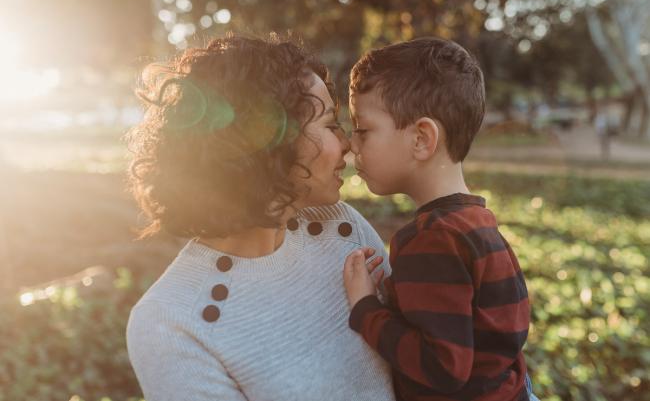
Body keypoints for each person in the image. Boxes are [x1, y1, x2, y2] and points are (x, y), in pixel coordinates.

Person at [125, 34, 395, 401]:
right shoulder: (170, 322)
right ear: (272, 140)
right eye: (331, 125)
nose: (347, 143)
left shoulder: (343, 228)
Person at [341, 37, 539, 401]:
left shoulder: (430, 238)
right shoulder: (477, 220)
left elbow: (443, 367)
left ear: (422, 139)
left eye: (363, 129)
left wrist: (366, 309)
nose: (352, 144)